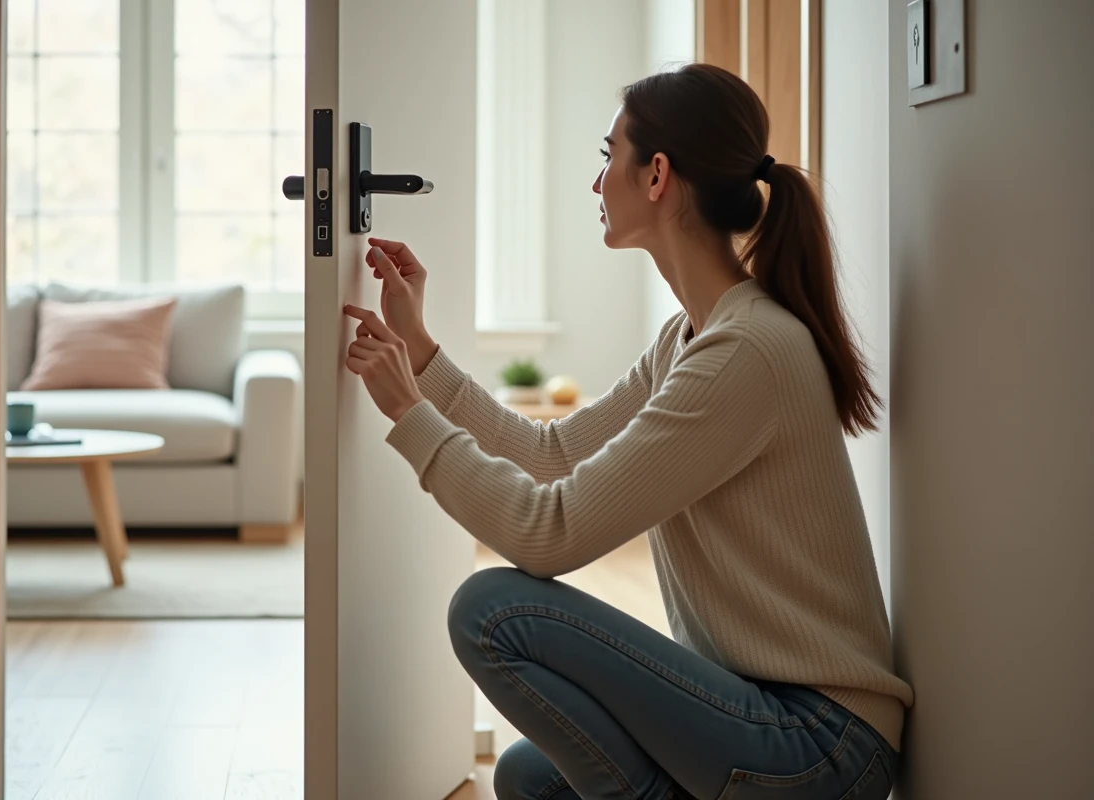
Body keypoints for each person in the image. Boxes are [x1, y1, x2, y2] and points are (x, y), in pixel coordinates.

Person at [341, 63, 913, 800]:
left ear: (657, 176)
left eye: (608, 155)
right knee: (528, 776)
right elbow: (554, 455)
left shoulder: (746, 351)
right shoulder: (692, 336)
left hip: (820, 744)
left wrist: (410, 415)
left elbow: (550, 535)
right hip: (760, 713)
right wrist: (420, 354)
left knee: (493, 611)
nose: (597, 180)